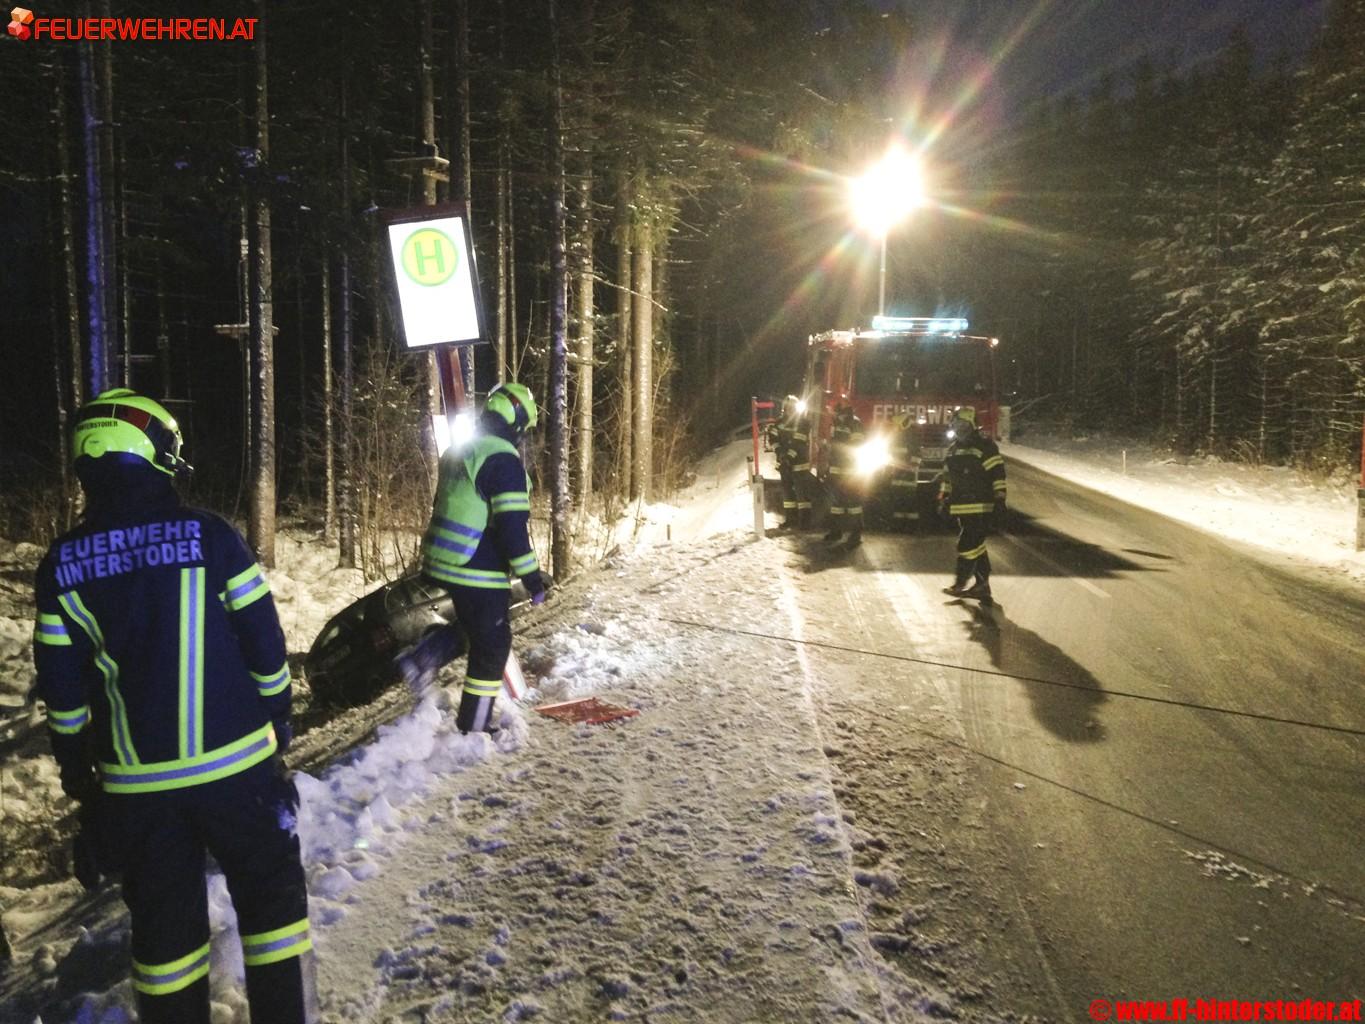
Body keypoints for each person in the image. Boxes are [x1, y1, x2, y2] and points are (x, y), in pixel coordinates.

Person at [32, 389, 315, 1024]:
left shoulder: (61, 566)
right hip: (239, 771)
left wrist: (80, 775)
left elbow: (63, 689)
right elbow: (264, 642)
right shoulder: (210, 536)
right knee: (272, 909)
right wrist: (278, 717)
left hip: (137, 789)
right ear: (150, 449)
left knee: (164, 939)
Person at [399, 382, 547, 733]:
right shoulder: (503, 461)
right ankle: (473, 729)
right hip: (476, 567)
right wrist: (532, 579)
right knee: (493, 646)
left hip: (442, 559)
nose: (523, 437)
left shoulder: (461, 449)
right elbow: (512, 529)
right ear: (517, 423)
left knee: (475, 625)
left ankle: (423, 659)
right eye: (524, 429)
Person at [937, 406, 1007, 606]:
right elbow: (947, 478)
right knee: (977, 545)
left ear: (972, 425)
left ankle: (960, 583)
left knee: (967, 545)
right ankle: (982, 586)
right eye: (956, 424)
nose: (959, 428)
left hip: (982, 505)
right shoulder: (953, 450)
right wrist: (944, 498)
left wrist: (1000, 499)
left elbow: (997, 474)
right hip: (961, 506)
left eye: (963, 424)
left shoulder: (985, 446)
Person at [824, 402, 865, 547]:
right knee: (836, 503)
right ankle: (836, 531)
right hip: (837, 470)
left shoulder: (855, 424)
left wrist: (842, 459)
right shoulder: (838, 423)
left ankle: (856, 534)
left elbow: (856, 446)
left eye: (833, 412)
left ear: (841, 412)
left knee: (853, 504)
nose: (832, 414)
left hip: (850, 472)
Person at [772, 395, 814, 530]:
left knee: (802, 495)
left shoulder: (803, 423)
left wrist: (788, 458)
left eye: (792, 408)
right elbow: (773, 438)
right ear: (784, 408)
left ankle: (805, 522)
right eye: (788, 408)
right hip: (785, 464)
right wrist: (779, 453)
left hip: (799, 464)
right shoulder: (779, 423)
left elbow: (798, 442)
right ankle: (791, 520)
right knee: (787, 494)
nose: (790, 410)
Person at [888, 411, 922, 531]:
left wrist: (911, 467)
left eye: (897, 424)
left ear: (903, 423)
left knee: (909, 501)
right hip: (898, 472)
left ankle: (911, 526)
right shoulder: (898, 436)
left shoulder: (911, 436)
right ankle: (899, 525)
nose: (895, 426)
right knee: (898, 500)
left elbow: (917, 454)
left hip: (908, 474)